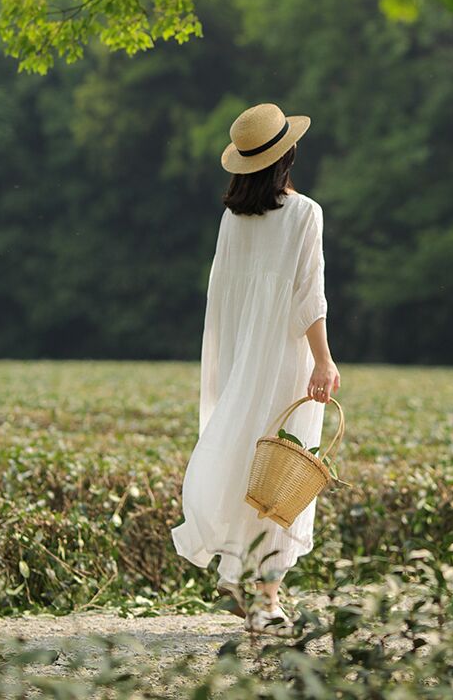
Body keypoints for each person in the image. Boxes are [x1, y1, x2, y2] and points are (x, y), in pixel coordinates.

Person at [170, 102, 341, 635]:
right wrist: (323, 359)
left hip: (244, 356)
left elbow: (221, 298)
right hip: (285, 361)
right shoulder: (304, 213)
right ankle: (266, 598)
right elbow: (308, 296)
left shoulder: (232, 219)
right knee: (284, 472)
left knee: (249, 458)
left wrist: (230, 361)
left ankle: (239, 573)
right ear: (287, 154)